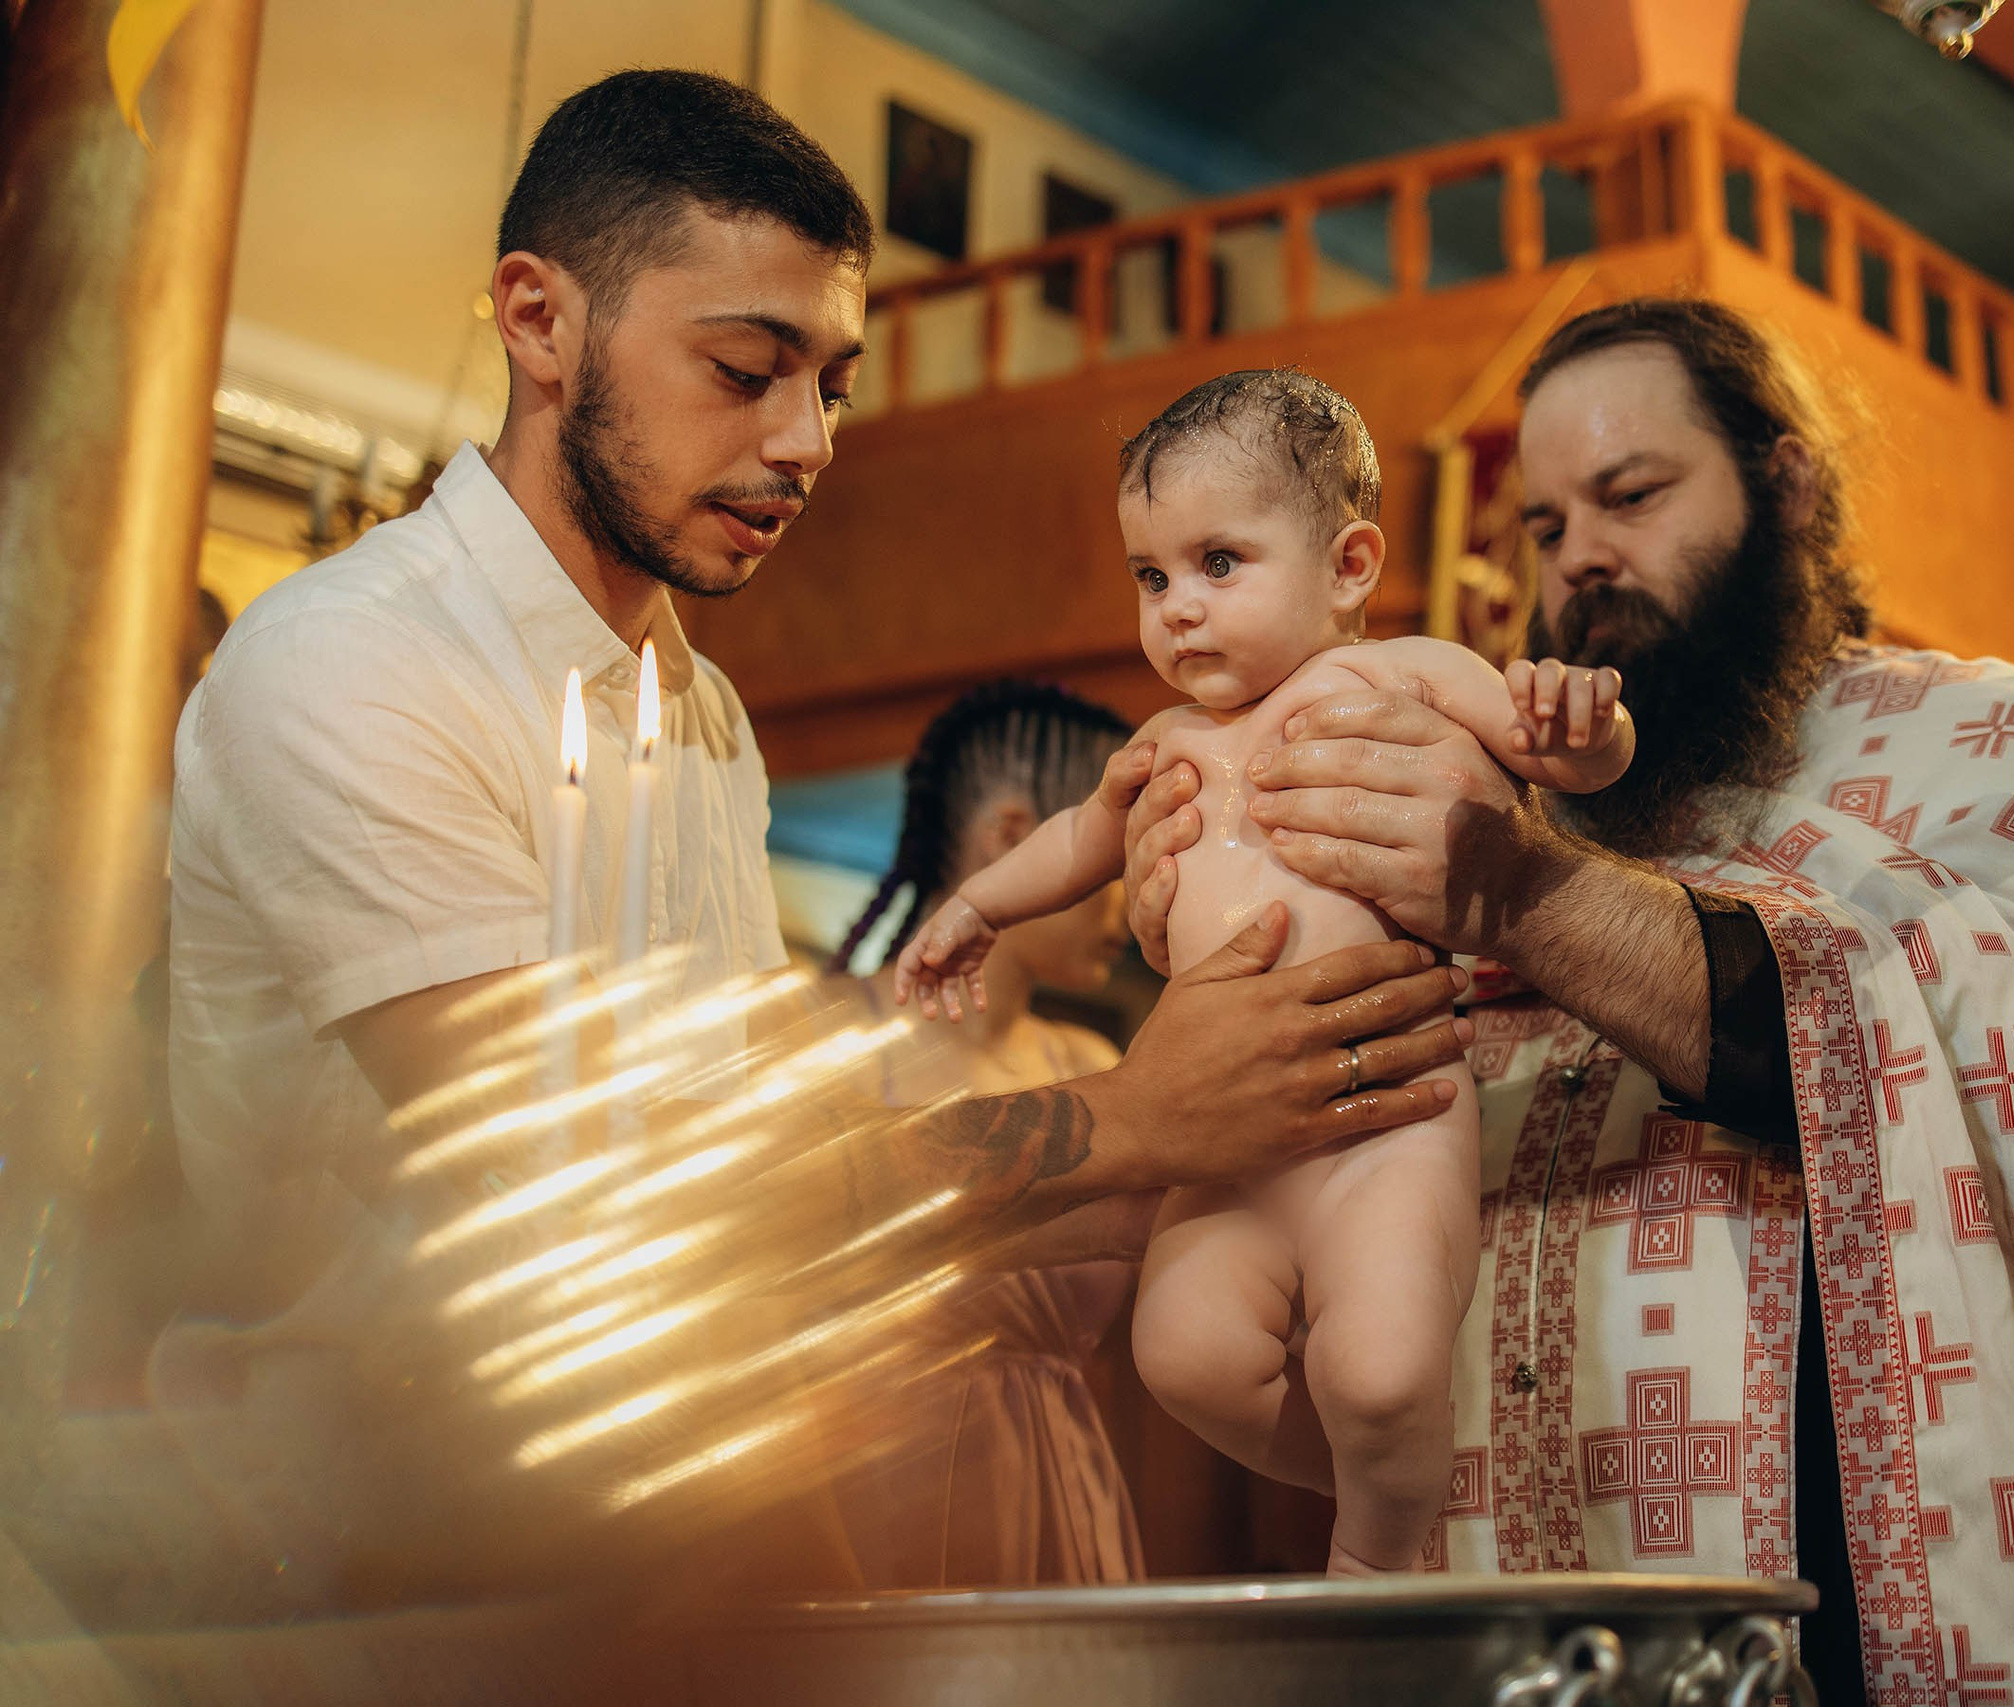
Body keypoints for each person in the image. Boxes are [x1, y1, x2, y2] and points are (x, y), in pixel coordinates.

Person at [160, 70, 1469, 1611]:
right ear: (538, 320)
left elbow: (741, 1188)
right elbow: (573, 1195)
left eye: (832, 384)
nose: (807, 440)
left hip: (637, 1516)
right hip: (343, 1549)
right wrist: (1129, 1122)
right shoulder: (355, 664)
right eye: (745, 365)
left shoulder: (698, 719)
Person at [1120, 300, 2014, 1703]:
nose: (1580, 552)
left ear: (1788, 485)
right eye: (1541, 527)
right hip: (1528, 1594)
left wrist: (1527, 895)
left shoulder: (2001, 742)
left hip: (1853, 1598)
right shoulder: (1495, 776)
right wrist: (1187, 898)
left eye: (1632, 493)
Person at [896, 370, 1631, 1575]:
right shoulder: (1165, 741)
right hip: (1221, 1146)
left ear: (1347, 566)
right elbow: (1081, 841)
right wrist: (976, 902)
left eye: (1218, 563)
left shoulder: (1400, 674)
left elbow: (1547, 753)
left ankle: (1380, 1553)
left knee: (1379, 1363)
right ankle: (1391, 1488)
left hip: (1381, 1121)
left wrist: (1585, 732)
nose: (1178, 609)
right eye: (1152, 577)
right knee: (1182, 1355)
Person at [818, 681, 1151, 1588]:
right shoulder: (824, 1037)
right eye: (1116, 854)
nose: (1136, 891)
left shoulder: (1093, 1058)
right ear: (1011, 836)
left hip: (1070, 1478)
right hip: (884, 1492)